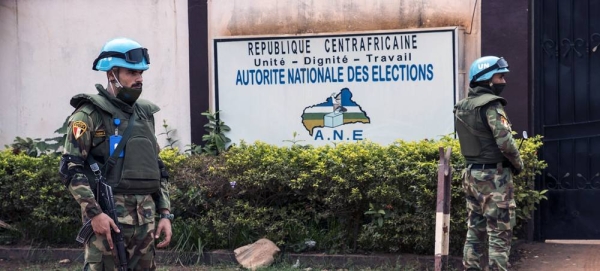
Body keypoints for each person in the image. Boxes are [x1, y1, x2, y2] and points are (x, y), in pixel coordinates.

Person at [59, 37, 173, 270]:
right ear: (112, 74)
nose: (139, 78)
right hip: (107, 223)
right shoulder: (89, 114)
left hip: (146, 224)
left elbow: (157, 167)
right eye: (132, 72)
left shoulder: (144, 114)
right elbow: (71, 168)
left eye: (141, 72)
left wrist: (165, 213)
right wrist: (94, 214)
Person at [454, 56, 524, 271]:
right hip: (494, 178)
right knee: (499, 233)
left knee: (474, 230)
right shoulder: (491, 105)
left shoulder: (462, 106)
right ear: (486, 79)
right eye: (500, 76)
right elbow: (505, 142)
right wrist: (518, 164)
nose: (503, 81)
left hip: (471, 175)